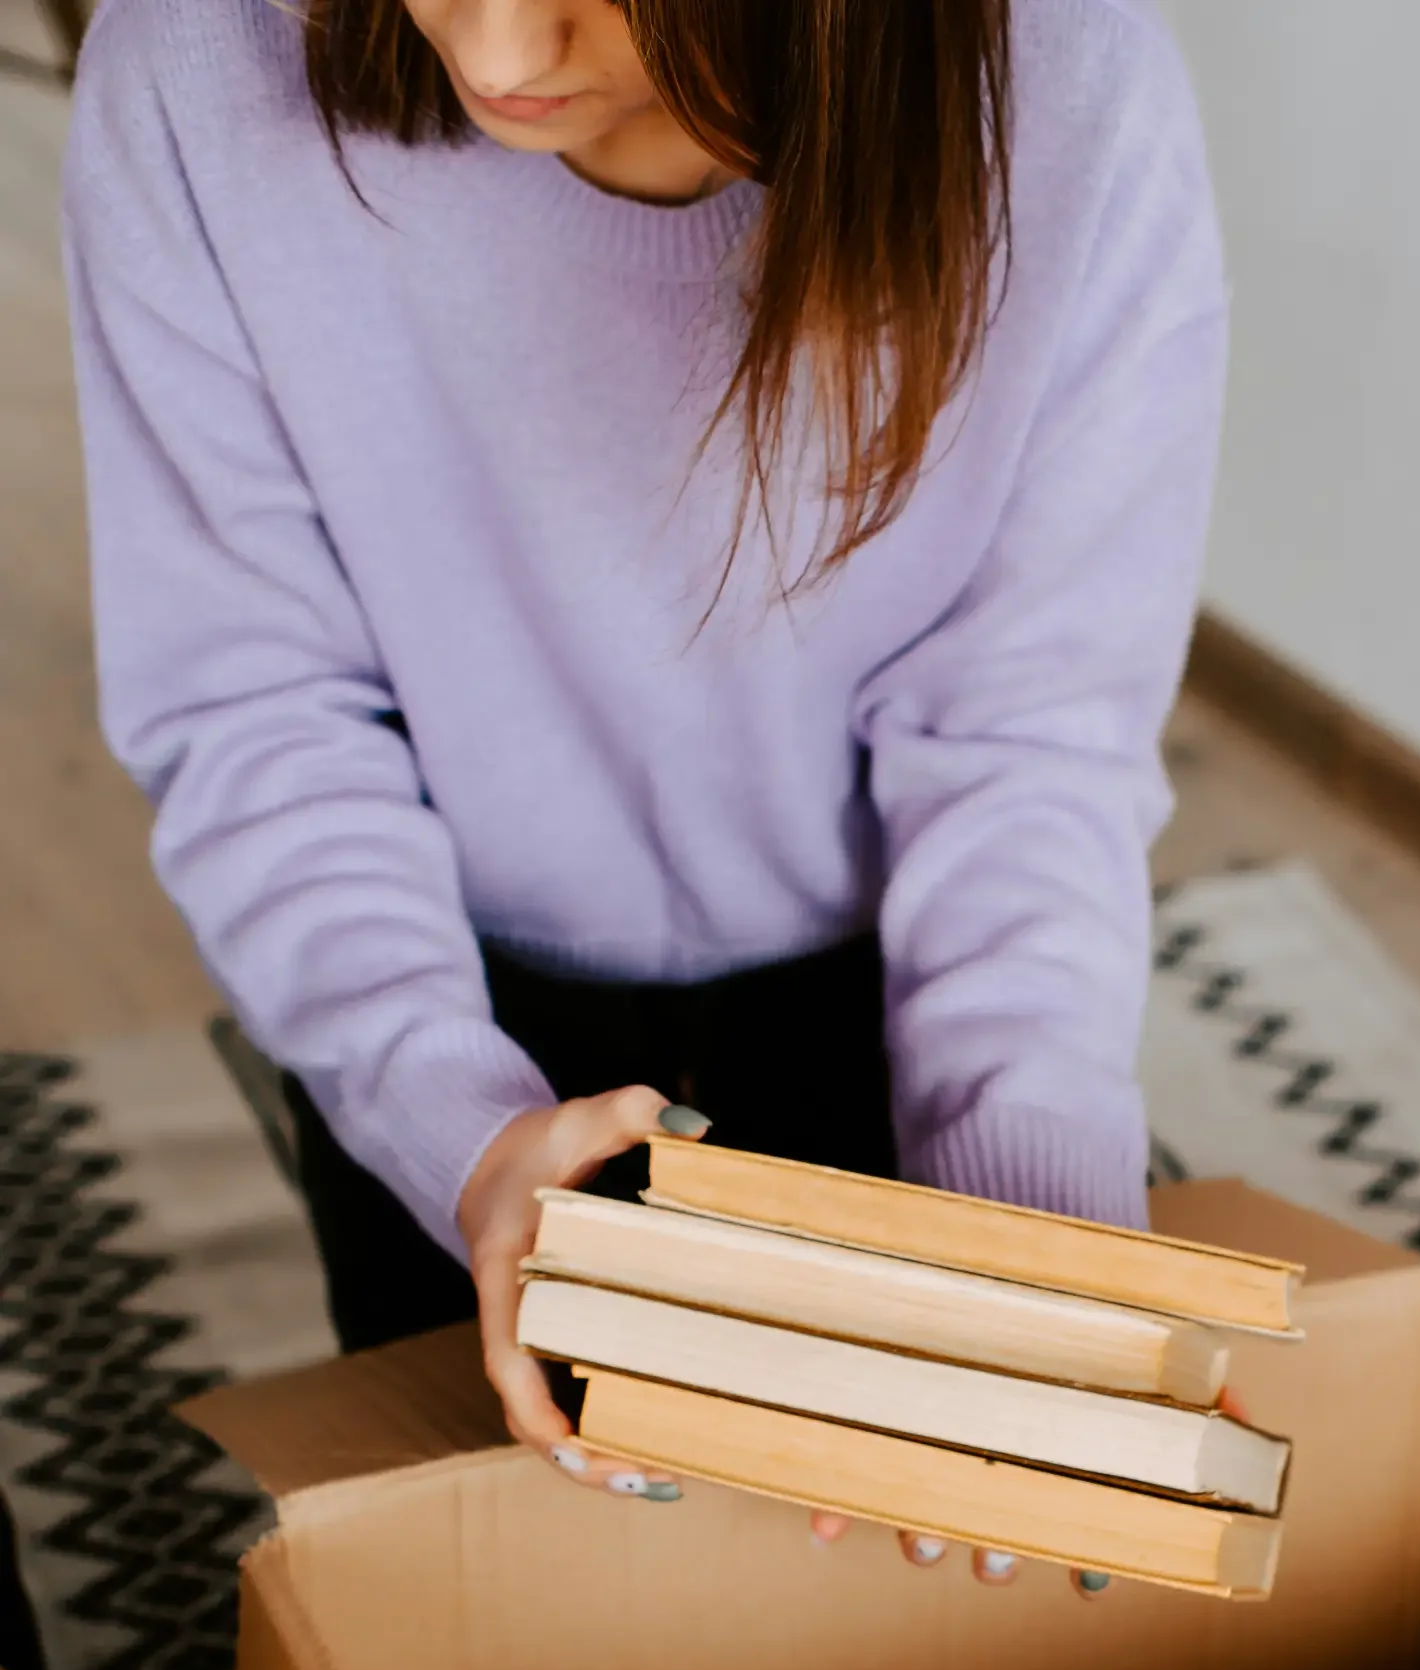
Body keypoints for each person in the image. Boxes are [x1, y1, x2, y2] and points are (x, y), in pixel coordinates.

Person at [62, 0, 1224, 1588]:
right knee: (501, 1648)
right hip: (452, 1023)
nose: (485, 50)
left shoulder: (1064, 80)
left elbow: (1026, 721)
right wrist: (449, 1119)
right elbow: (259, 703)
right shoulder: (196, 59)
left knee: (932, 1652)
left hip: (900, 996)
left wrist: (1028, 1218)